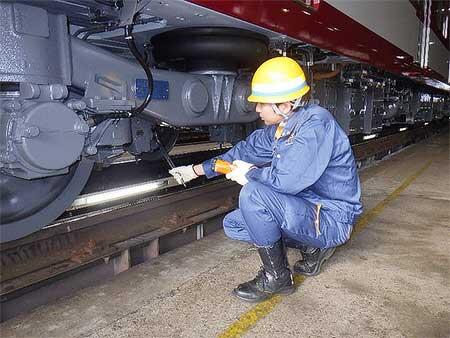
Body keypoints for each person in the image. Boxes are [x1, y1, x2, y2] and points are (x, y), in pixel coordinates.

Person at [169, 56, 362, 302]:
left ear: (284, 105)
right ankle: (313, 247)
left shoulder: (315, 126)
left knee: (253, 194)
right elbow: (242, 152)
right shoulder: (281, 129)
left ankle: (277, 278)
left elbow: (286, 181)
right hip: (309, 209)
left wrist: (248, 173)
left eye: (262, 103)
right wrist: (196, 169)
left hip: (333, 217)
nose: (257, 109)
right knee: (236, 224)